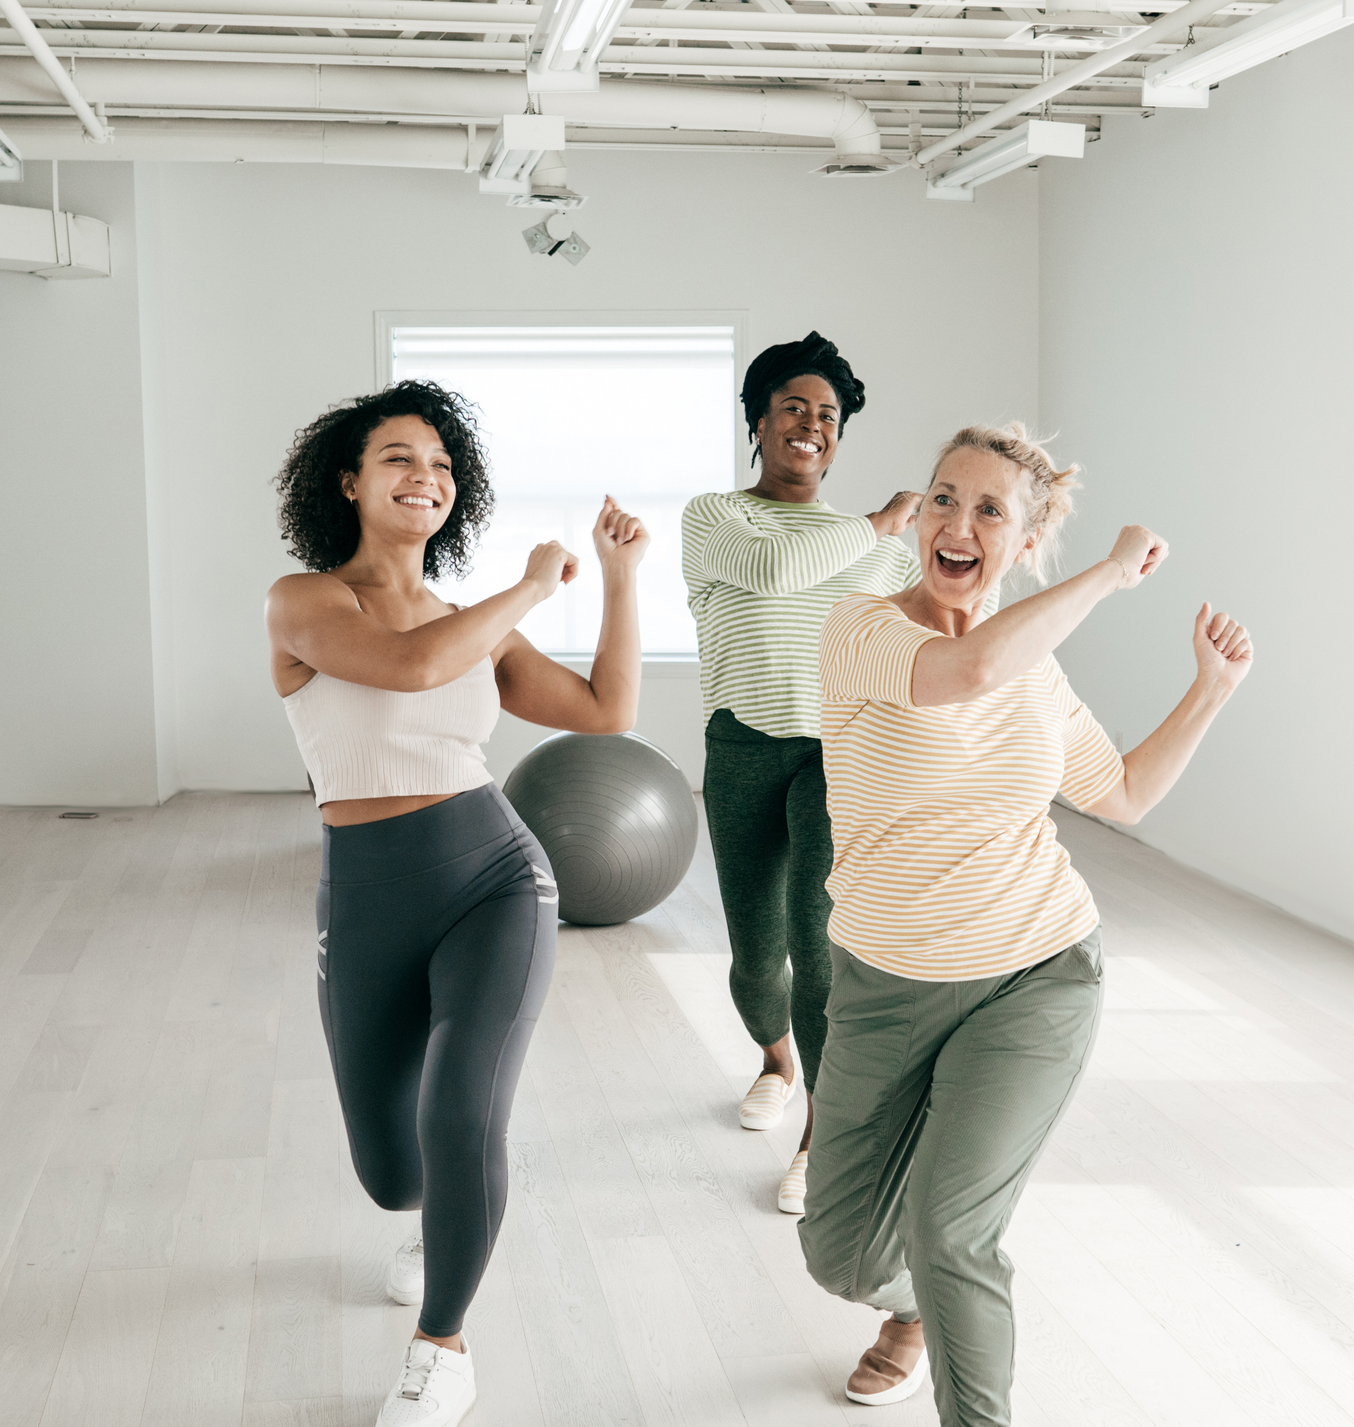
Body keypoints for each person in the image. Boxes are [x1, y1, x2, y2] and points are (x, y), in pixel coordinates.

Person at [799, 423, 1254, 1424]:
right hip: (882, 983)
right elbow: (961, 674)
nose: (954, 524)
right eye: (941, 498)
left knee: (951, 1228)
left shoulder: (1038, 676)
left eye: (988, 508)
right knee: (839, 1250)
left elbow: (1124, 792)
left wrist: (1208, 692)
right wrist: (1106, 576)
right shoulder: (861, 630)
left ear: (1024, 541)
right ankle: (913, 1304)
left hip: (1034, 972)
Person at [264, 381, 649, 1427]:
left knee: (460, 1107)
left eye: (439, 463)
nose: (423, 475)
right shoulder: (303, 601)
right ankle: (437, 1222)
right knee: (394, 1173)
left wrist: (617, 580)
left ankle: (441, 1345)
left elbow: (606, 710)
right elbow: (407, 666)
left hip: (493, 876)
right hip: (366, 890)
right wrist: (527, 585)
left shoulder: (466, 618)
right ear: (348, 481)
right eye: (398, 457)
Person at [681, 331, 927, 1215]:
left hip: (839, 756)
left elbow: (923, 641)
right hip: (743, 746)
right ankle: (775, 1059)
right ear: (758, 420)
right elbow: (778, 572)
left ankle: (822, 1137)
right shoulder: (717, 518)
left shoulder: (887, 550)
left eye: (828, 415)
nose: (812, 425)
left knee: (819, 952)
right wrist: (880, 524)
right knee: (757, 960)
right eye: (794, 407)